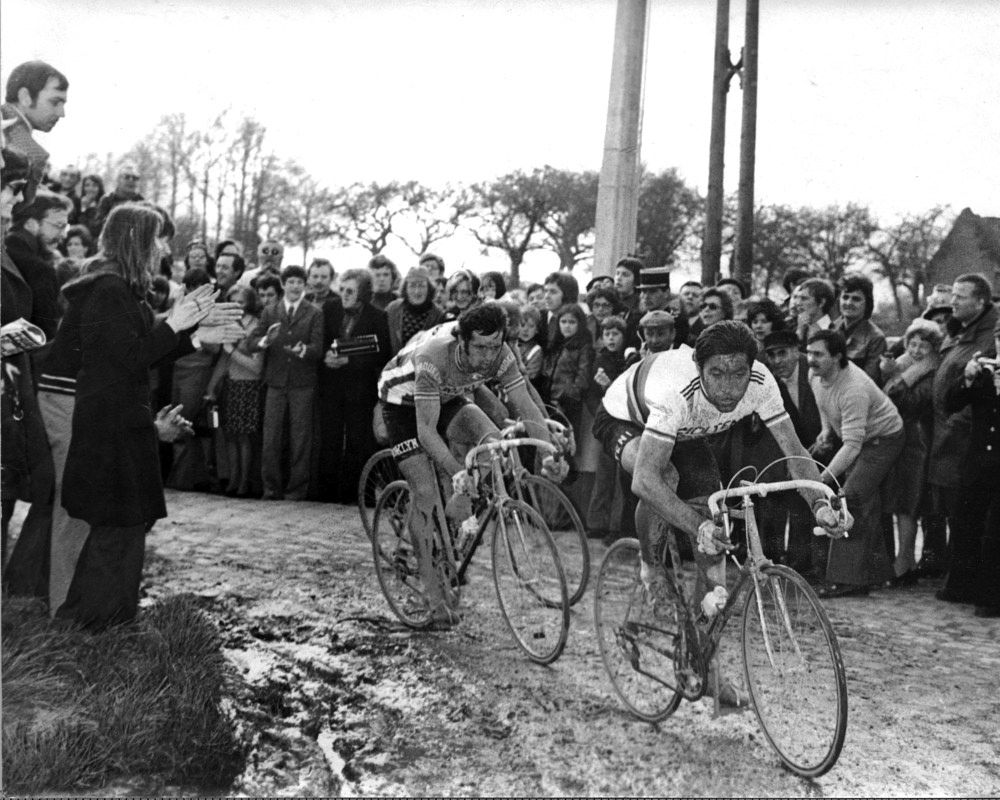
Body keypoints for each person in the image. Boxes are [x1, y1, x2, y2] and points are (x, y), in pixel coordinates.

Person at [592, 321, 847, 706]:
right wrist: (697, 525)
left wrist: (821, 505)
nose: (729, 388)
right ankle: (651, 569)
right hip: (626, 418)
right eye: (717, 374)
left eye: (738, 374)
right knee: (668, 477)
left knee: (716, 536)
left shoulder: (762, 384)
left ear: (751, 369)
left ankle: (704, 665)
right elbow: (645, 481)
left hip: (686, 432)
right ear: (699, 368)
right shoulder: (677, 390)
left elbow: (796, 457)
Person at [57, 203, 240, 630]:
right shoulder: (108, 290)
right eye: (158, 238)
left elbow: (139, 348)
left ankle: (105, 624)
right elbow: (132, 356)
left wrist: (197, 338)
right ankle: (97, 627)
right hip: (111, 425)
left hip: (119, 422)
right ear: (137, 240)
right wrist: (177, 322)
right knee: (116, 530)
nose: (164, 248)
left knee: (125, 528)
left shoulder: (118, 288)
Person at [377, 304, 565, 627]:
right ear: (462, 341)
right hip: (403, 403)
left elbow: (525, 405)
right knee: (425, 491)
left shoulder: (500, 352)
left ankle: (457, 516)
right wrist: (457, 471)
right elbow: (425, 432)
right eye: (480, 347)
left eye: (494, 346)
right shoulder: (435, 357)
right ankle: (435, 598)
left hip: (450, 394)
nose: (489, 355)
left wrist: (547, 451)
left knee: (491, 439)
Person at [807, 329, 904, 597]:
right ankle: (874, 574)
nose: (810, 359)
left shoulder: (853, 388)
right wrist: (826, 431)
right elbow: (823, 403)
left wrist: (823, 478)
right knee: (864, 502)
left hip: (884, 438)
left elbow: (852, 445)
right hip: (860, 439)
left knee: (850, 499)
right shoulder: (816, 374)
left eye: (818, 354)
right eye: (809, 352)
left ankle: (848, 580)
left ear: (837, 357)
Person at [932, 274, 999, 603]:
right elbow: (956, 393)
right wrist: (968, 379)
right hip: (969, 440)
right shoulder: (962, 331)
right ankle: (961, 582)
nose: (952, 302)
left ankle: (983, 591)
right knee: (963, 515)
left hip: (967, 434)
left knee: (986, 523)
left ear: (981, 302)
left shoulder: (987, 334)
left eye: (961, 297)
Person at [250, 265, 324, 500]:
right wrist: (264, 341)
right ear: (283, 284)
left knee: (300, 438)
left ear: (305, 286)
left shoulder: (314, 313)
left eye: (299, 282)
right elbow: (251, 342)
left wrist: (303, 350)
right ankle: (270, 488)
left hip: (302, 383)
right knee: (271, 436)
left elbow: (318, 348)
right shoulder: (270, 311)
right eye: (290, 282)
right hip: (275, 381)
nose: (295, 286)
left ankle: (297, 489)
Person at [317, 268, 390, 502]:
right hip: (331, 386)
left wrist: (350, 359)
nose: (344, 295)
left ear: (363, 294)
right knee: (330, 438)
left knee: (359, 441)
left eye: (350, 291)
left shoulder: (377, 316)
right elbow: (321, 341)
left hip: (360, 389)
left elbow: (383, 353)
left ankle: (354, 495)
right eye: (342, 290)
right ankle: (326, 492)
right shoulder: (329, 308)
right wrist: (326, 358)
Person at [880, 318, 942, 585]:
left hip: (917, 441)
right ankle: (901, 559)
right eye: (912, 344)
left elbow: (909, 401)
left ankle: (905, 560)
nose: (916, 351)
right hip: (900, 438)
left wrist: (899, 377)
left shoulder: (930, 371)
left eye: (923, 346)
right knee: (897, 501)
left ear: (933, 349)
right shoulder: (906, 366)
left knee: (909, 503)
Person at [943, 336, 1000, 618]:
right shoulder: (984, 366)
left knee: (995, 533)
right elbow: (950, 403)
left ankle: (992, 597)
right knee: (965, 522)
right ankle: (961, 587)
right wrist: (966, 379)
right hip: (979, 459)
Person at [208, 285, 265, 498]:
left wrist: (233, 352)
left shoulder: (256, 326)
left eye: (240, 302)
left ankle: (244, 482)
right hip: (231, 384)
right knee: (230, 435)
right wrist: (211, 388)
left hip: (249, 385)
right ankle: (233, 479)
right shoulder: (228, 325)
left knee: (245, 437)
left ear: (249, 302)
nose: (237, 307)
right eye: (233, 302)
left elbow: (257, 367)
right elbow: (223, 359)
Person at [5, 189, 72, 340]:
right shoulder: (40, 270)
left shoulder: (5, 252)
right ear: (31, 224)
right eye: (59, 225)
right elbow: (45, 336)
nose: (63, 235)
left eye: (65, 227)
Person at [586, 315, 628, 542]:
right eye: (607, 334)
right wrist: (600, 413)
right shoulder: (599, 360)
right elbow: (591, 395)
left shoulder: (628, 360)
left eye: (615, 334)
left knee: (620, 475)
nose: (611, 339)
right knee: (603, 474)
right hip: (606, 421)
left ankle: (616, 525)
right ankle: (596, 522)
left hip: (624, 421)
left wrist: (609, 388)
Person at [2, 61, 69, 203]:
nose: (61, 113)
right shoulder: (35, 155)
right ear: (25, 96)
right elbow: (17, 217)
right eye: (55, 102)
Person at [833, 274, 886, 383]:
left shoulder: (876, 338)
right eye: (845, 297)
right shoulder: (831, 328)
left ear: (867, 303)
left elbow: (869, 382)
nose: (848, 303)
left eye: (856, 299)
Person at [385, 266, 444, 355]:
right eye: (412, 286)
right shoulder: (393, 309)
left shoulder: (438, 315)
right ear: (405, 288)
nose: (417, 291)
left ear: (429, 288)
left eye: (422, 286)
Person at [95, 164, 143, 229]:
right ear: (118, 180)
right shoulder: (107, 199)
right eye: (127, 177)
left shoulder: (142, 201)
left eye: (135, 178)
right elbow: (98, 226)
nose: (131, 180)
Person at [790, 277, 835, 347]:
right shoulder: (795, 326)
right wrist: (799, 332)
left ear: (821, 302)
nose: (798, 303)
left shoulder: (833, 330)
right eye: (797, 298)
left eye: (804, 298)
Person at [77, 174, 104, 239]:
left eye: (94, 185)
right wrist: (83, 208)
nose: (90, 188)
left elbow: (94, 230)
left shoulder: (103, 206)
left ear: (100, 188)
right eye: (87, 185)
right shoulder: (77, 203)